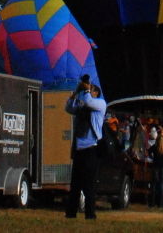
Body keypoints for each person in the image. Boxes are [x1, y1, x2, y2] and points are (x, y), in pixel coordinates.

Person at [64, 73, 106, 219]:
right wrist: (76, 92)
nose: (88, 90)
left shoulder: (100, 104)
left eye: (91, 89)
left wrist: (86, 90)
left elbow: (88, 102)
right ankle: (70, 213)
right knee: (75, 184)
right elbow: (69, 108)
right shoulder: (82, 104)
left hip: (91, 149)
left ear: (96, 93)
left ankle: (90, 214)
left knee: (89, 185)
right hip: (79, 149)